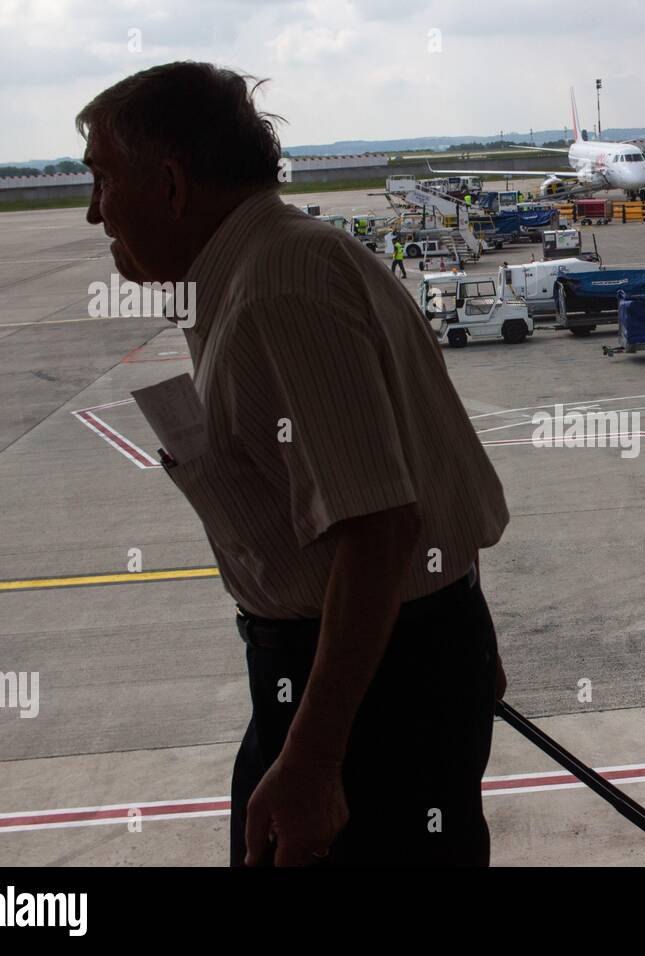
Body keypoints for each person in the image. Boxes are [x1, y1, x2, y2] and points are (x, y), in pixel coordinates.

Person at [77, 61, 509, 867]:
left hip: (364, 692)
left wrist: (313, 760)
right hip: (395, 661)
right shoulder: (282, 260)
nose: (94, 209)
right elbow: (419, 467)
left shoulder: (275, 291)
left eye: (103, 178)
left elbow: (380, 528)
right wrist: (459, 635)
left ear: (170, 183)